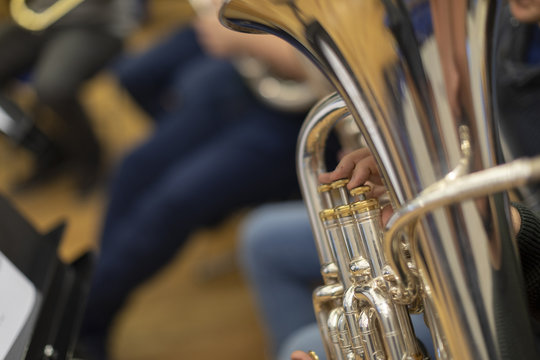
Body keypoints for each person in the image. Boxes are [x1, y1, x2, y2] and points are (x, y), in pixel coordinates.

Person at [76, 3, 329, 358]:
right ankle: (91, 315)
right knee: (135, 166)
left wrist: (246, 40)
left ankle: (81, 319)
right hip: (247, 79)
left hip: (297, 117)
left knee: (172, 204)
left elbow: (328, 67)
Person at [0, 0, 140, 194]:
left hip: (94, 24)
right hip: (34, 21)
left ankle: (89, 157)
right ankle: (42, 148)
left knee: (52, 87)